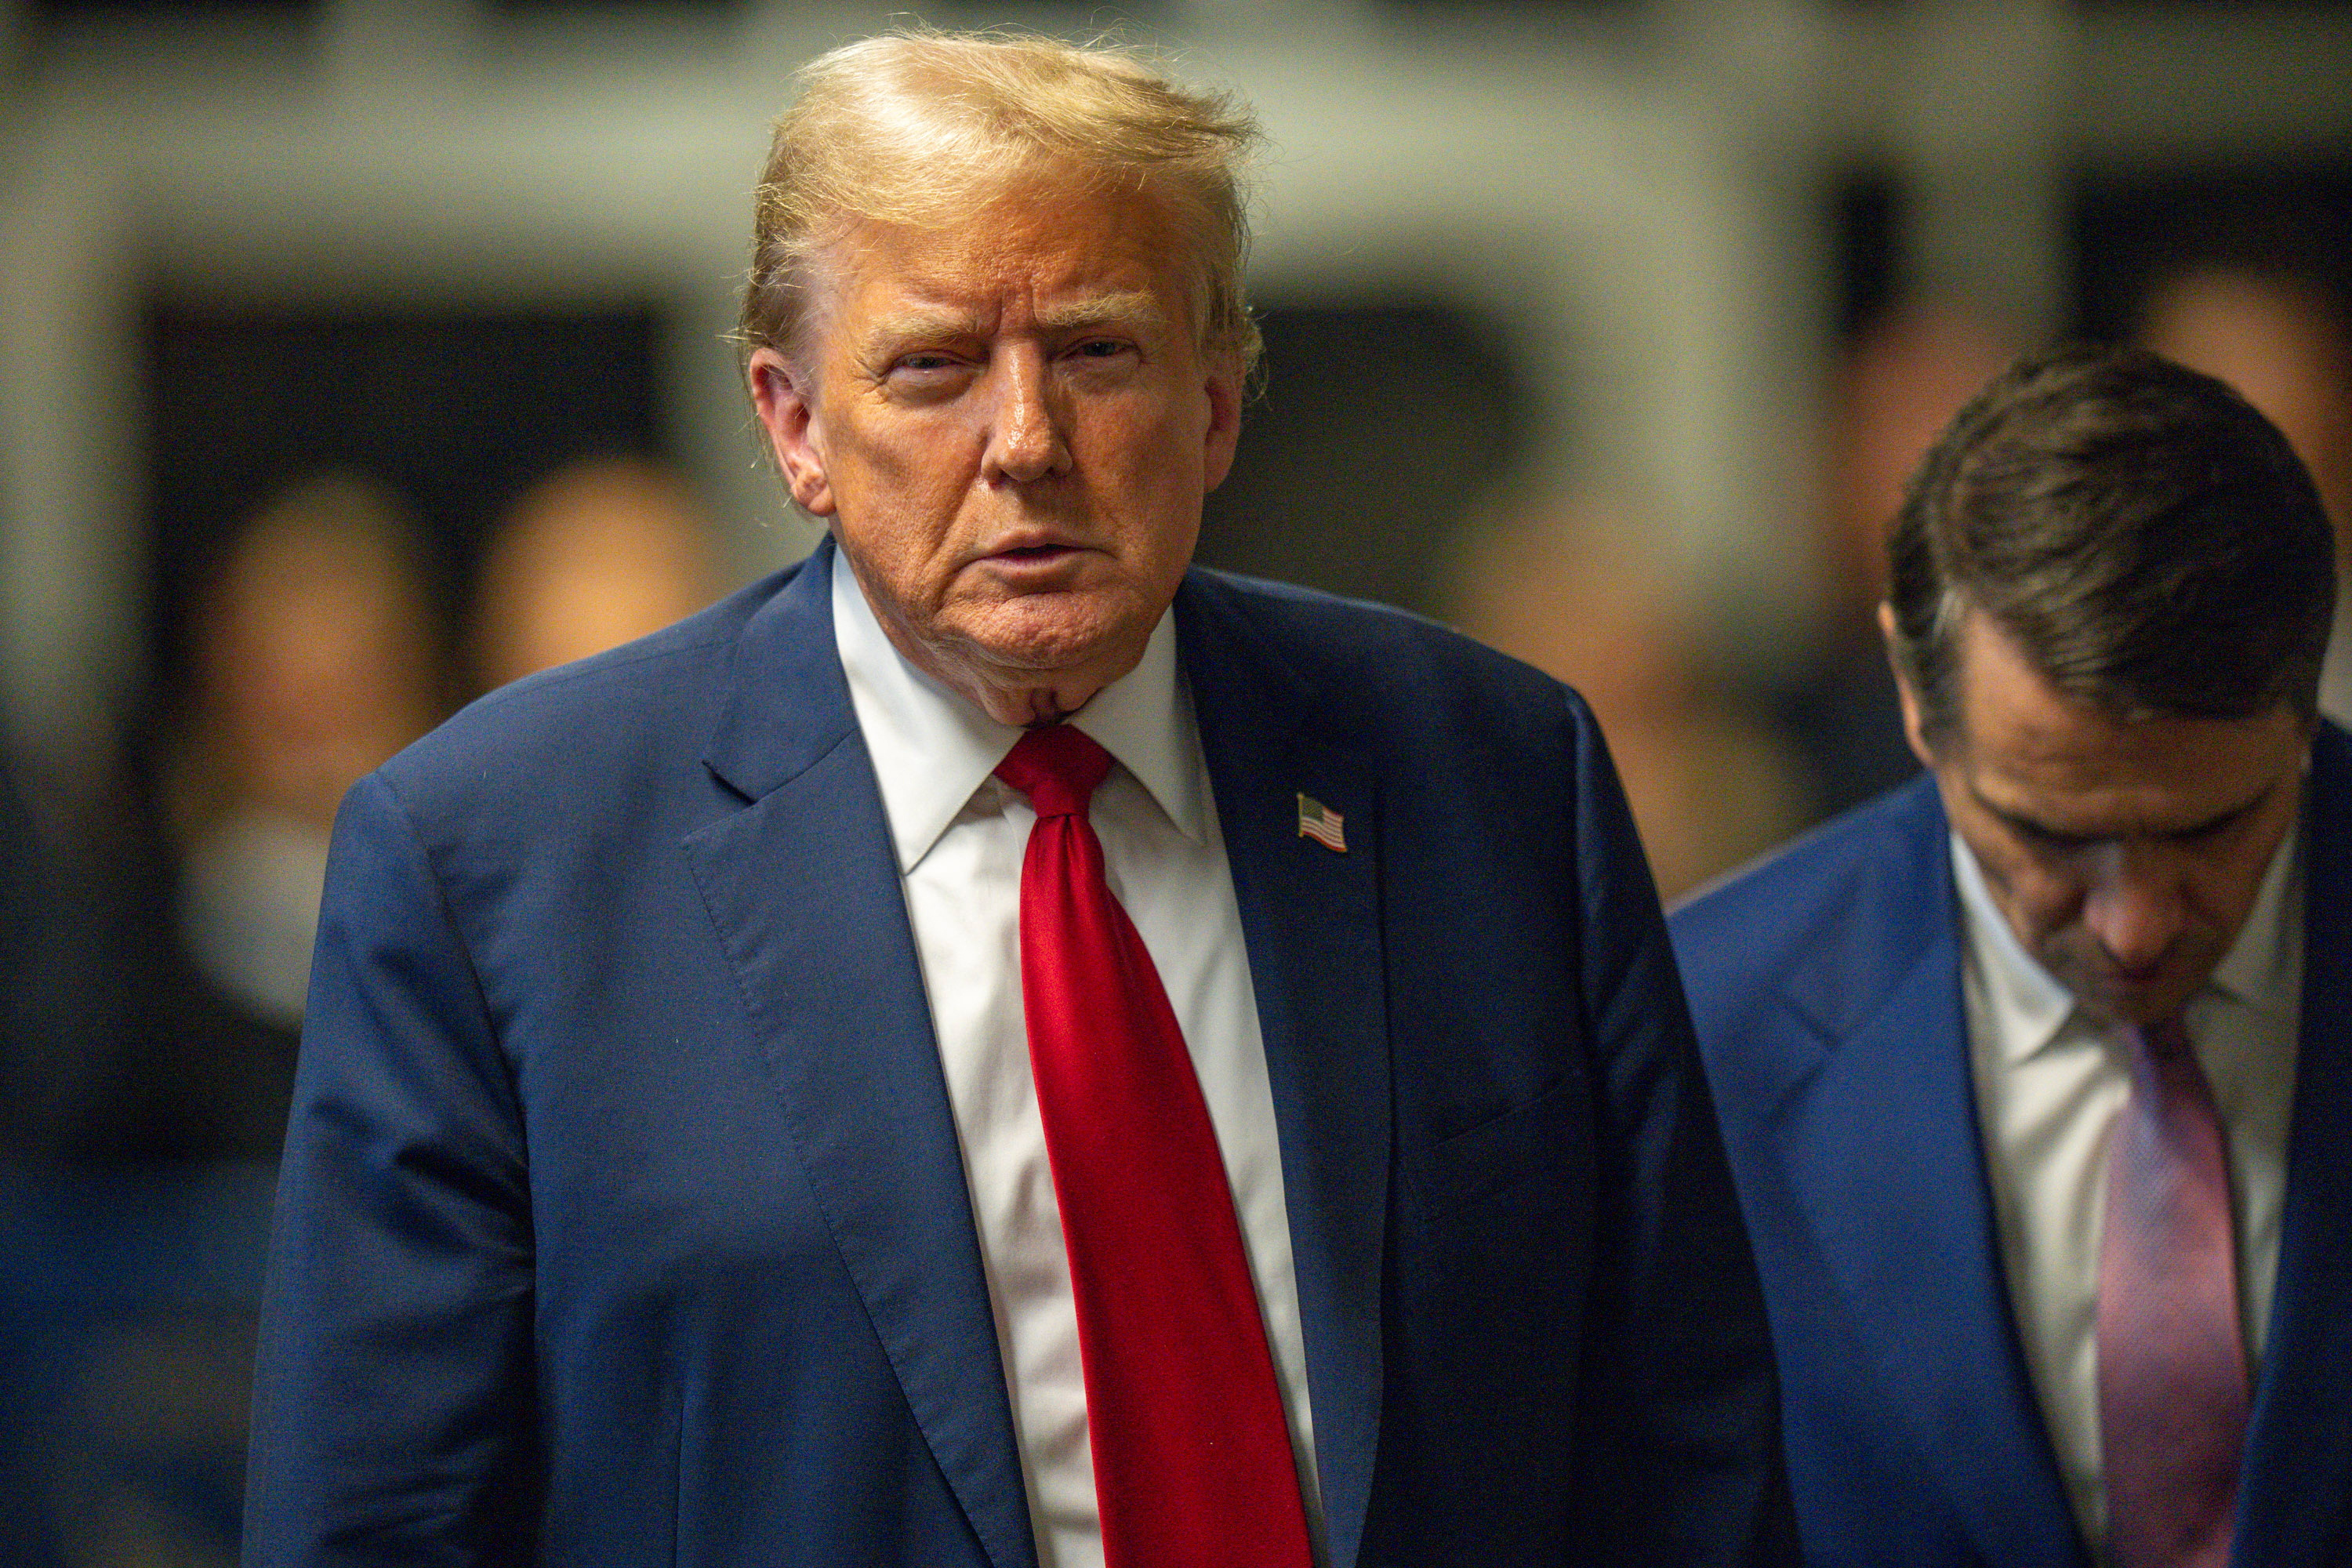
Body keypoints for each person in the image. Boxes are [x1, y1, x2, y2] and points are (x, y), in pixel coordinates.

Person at [244, 29, 1792, 1568]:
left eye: (1099, 352)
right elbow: (375, 1525)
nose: (1028, 444)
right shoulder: (494, 865)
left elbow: (1684, 1461)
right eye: (932, 369)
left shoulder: (1491, 775)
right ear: (794, 427)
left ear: (1220, 401)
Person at [1672, 342, 2352, 1566]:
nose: (2134, 923)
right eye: (2049, 833)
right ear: (1912, 698)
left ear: (2307, 708)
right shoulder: (1709, 1028)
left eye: (2210, 827)